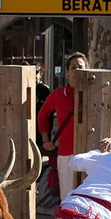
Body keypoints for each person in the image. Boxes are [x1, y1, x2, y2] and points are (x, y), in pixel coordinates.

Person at [38, 52, 86, 199]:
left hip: (89, 152)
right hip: (66, 153)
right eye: (73, 68)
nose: (77, 71)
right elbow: (42, 115)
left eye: (81, 67)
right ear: (67, 72)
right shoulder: (58, 94)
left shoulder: (94, 95)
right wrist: (46, 139)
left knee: (88, 198)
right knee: (68, 197)